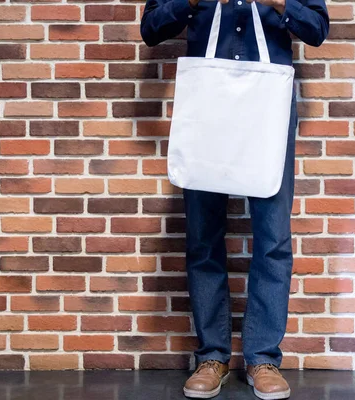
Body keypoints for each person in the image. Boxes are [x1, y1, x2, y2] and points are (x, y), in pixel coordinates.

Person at [140, 0, 329, 397]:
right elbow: (152, 27)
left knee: (273, 235)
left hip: (268, 108)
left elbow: (316, 28)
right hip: (208, 101)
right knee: (203, 235)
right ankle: (213, 355)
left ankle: (263, 359)